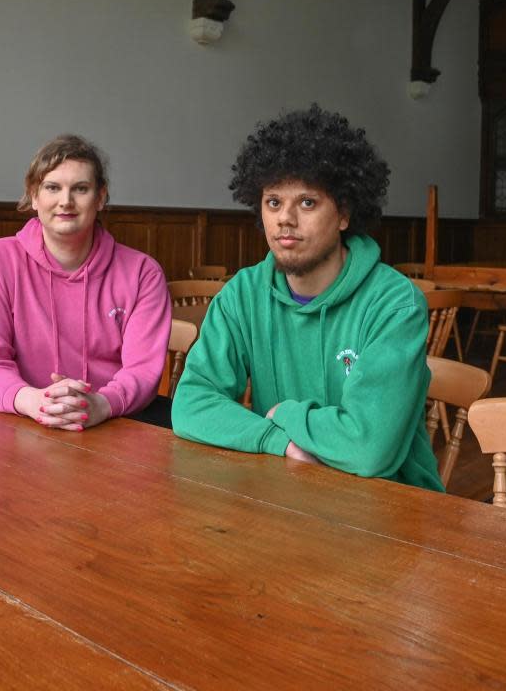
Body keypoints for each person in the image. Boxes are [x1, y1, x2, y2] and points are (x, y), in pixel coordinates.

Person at [172, 105, 441, 491]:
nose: (285, 219)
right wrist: (277, 441)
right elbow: (190, 406)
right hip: (289, 493)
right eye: (273, 202)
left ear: (344, 214)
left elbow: (369, 448)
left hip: (392, 509)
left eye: (308, 202)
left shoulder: (395, 304)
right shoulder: (242, 295)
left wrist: (285, 413)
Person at [0, 135, 170, 430]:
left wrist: (100, 404)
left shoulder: (143, 273)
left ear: (100, 198)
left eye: (81, 189)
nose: (66, 201)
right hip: (24, 421)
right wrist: (36, 401)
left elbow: (143, 372)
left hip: (116, 422)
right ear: (34, 196)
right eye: (52, 187)